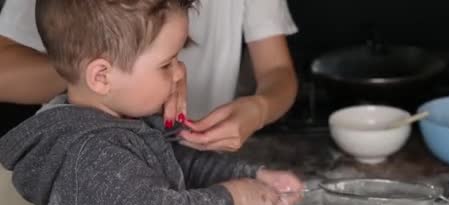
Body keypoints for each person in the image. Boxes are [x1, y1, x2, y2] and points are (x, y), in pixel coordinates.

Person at [0, 0, 303, 205]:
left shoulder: (123, 122)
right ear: (101, 76)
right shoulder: (93, 154)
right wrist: (232, 198)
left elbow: (182, 162)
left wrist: (253, 174)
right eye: (166, 64)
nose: (179, 73)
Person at [0, 0, 298, 151]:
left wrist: (259, 109)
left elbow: (278, 71)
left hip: (193, 163)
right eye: (168, 60)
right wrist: (104, 80)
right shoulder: (88, 163)